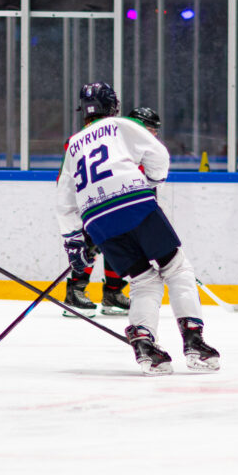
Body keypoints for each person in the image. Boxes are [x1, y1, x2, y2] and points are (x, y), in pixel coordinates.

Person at [56, 81, 220, 376]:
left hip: (96, 218)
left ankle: (144, 344)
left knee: (144, 280)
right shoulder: (120, 125)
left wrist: (73, 242)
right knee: (177, 269)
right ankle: (194, 341)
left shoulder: (74, 143)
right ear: (112, 105)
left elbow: (64, 198)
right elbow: (159, 156)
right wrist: (153, 183)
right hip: (133, 202)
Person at [55, 112, 159, 319]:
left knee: (119, 244)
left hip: (112, 206)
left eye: (155, 129)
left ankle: (112, 292)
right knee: (88, 245)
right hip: (90, 202)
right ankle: (75, 291)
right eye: (150, 128)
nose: (154, 133)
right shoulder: (115, 143)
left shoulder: (140, 149)